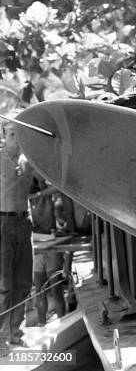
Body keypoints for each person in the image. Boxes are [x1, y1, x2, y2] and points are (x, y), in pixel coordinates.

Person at [0, 116, 34, 353]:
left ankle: (15, 333)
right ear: (4, 135)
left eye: (19, 133)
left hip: (25, 222)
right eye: (12, 133)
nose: (16, 138)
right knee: (4, 283)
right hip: (2, 222)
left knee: (23, 282)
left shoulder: (30, 160)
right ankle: (1, 338)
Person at [29, 178, 66, 326]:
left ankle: (61, 322)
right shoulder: (31, 199)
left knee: (51, 289)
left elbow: (57, 187)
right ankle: (43, 324)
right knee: (43, 290)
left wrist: (37, 194)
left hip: (48, 245)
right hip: (41, 247)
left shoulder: (42, 197)